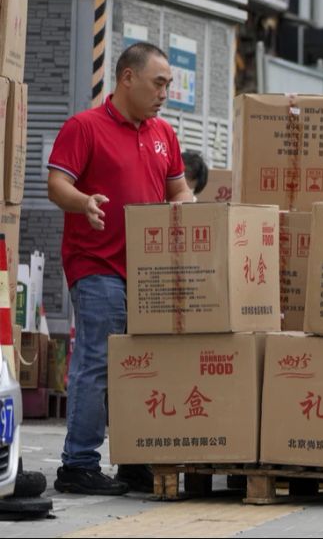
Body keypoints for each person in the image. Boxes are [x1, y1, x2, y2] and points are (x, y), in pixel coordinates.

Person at [47, 43, 194, 495]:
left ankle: (134, 461)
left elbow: (180, 192)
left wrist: (193, 214)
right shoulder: (84, 127)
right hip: (96, 265)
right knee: (99, 360)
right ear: (127, 78)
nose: (165, 92)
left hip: (149, 273)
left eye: (168, 83)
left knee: (141, 366)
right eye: (158, 82)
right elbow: (57, 184)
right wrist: (84, 202)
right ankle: (78, 464)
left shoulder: (163, 134)